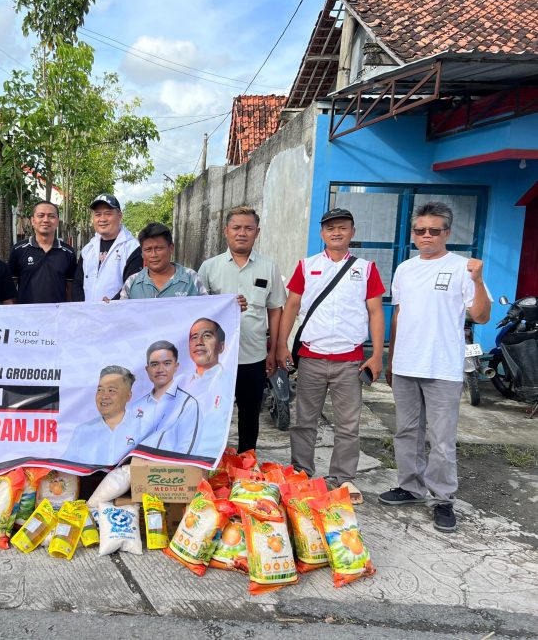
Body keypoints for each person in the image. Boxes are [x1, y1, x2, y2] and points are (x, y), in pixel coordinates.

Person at [379, 202, 491, 533]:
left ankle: (442, 499)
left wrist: (479, 281)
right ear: (413, 234)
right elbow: (398, 316)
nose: (426, 235)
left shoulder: (462, 268)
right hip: (405, 365)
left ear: (447, 233)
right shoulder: (404, 269)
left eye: (434, 230)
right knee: (406, 432)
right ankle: (410, 487)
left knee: (442, 439)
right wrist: (391, 359)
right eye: (420, 230)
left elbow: (481, 316)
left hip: (442, 367)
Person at [276, 208, 385, 505]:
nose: (336, 232)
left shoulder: (366, 269)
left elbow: (376, 312)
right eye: (330, 228)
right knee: (304, 421)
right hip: (311, 358)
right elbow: (291, 306)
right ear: (322, 233)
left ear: (352, 232)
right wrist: (282, 345)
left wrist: (376, 354)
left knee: (348, 425)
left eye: (342, 227)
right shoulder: (306, 266)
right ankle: (301, 472)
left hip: (350, 361)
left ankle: (344, 478)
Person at [197, 206, 286, 452]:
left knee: (250, 415)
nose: (242, 233)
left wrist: (273, 349)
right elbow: (198, 310)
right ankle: (212, 461)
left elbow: (275, 309)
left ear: (257, 232)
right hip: (216, 359)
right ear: (226, 231)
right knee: (213, 413)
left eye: (248, 228)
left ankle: (246, 461)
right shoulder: (209, 267)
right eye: (236, 228)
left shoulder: (269, 267)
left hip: (253, 356)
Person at [63, 366, 151, 466]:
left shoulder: (144, 429)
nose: (104, 396)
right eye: (100, 390)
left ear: (128, 396)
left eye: (111, 390)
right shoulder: (82, 431)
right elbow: (66, 467)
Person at [72, 193, 142, 301]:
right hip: (87, 311)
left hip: (119, 310)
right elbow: (78, 283)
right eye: (98, 214)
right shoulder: (88, 249)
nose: (102, 219)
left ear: (119, 216)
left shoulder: (133, 248)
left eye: (108, 214)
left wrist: (109, 307)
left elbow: (131, 286)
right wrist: (82, 308)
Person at [135, 341, 200, 455]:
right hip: (134, 463)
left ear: (176, 366)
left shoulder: (188, 404)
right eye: (154, 364)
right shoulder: (137, 406)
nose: (160, 369)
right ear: (147, 369)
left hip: (170, 465)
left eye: (167, 363)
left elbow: (186, 451)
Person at [8, 201, 76, 303]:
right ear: (32, 220)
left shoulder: (68, 252)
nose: (46, 220)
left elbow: (70, 290)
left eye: (51, 216)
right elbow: (10, 290)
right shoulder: (18, 250)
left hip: (57, 312)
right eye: (41, 216)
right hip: (26, 312)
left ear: (57, 221)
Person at [118, 222, 208, 299]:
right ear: (142, 253)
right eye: (148, 250)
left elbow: (205, 309)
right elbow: (122, 311)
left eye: (159, 248)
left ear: (171, 248)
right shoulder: (131, 282)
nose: (153, 255)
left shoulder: (191, 278)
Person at [186, 317, 235, 457]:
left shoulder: (230, 382)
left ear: (221, 346)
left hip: (210, 458)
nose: (199, 342)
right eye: (194, 337)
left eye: (207, 336)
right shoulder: (179, 383)